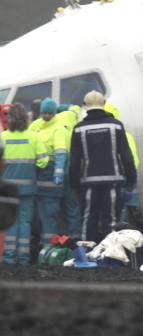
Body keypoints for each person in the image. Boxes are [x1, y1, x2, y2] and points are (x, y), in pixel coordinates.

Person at [70, 91, 137, 243]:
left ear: (85, 106)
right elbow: (126, 155)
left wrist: (74, 183)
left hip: (89, 182)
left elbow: (74, 160)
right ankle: (111, 256)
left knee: (88, 219)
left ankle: (88, 254)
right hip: (114, 180)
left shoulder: (79, 129)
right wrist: (131, 179)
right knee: (111, 219)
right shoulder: (116, 126)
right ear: (103, 104)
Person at [1, 104, 48, 264]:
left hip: (8, 189)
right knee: (25, 222)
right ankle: (23, 258)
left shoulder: (3, 137)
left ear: (9, 119)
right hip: (28, 187)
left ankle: (8, 258)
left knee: (10, 222)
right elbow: (43, 160)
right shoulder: (33, 136)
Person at [30, 97, 69, 245]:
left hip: (52, 178)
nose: (46, 116)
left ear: (54, 113)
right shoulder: (35, 126)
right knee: (42, 214)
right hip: (38, 178)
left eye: (49, 113)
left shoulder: (58, 129)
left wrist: (58, 173)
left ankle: (48, 245)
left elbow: (61, 153)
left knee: (49, 214)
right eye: (44, 113)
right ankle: (45, 243)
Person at [103, 102, 141, 223]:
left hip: (120, 174)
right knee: (130, 208)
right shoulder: (126, 135)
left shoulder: (110, 136)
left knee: (119, 210)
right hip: (131, 173)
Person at [55, 103, 83, 239]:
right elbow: (76, 107)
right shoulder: (71, 116)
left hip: (54, 172)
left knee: (52, 211)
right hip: (71, 169)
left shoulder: (50, 124)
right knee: (73, 208)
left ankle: (56, 240)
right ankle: (75, 239)